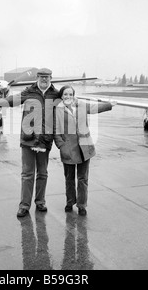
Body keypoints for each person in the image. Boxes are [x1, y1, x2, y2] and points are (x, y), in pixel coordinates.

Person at [0, 68, 60, 217]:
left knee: (42, 174)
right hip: (28, 140)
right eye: (42, 77)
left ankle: (40, 202)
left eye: (47, 77)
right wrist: (1, 101)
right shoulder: (29, 92)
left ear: (51, 78)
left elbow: (70, 101)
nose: (44, 79)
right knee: (27, 174)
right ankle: (24, 205)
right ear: (37, 78)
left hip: (44, 141)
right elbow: (14, 100)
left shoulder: (55, 94)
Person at [54, 85, 114, 216]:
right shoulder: (58, 110)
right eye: (65, 94)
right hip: (68, 149)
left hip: (84, 148)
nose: (68, 97)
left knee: (83, 179)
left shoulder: (81, 105)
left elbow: (94, 108)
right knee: (69, 178)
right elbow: (56, 131)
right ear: (61, 96)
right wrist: (61, 146)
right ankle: (70, 202)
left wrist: (109, 105)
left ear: (74, 95)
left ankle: (82, 205)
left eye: (70, 94)